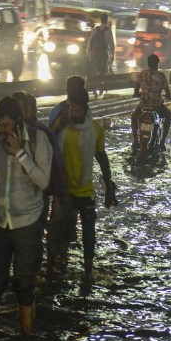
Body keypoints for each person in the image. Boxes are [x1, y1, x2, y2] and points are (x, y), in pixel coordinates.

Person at [0, 96, 52, 337]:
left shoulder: (39, 141)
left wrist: (20, 153)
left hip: (27, 224)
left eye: (6, 126)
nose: (2, 131)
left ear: (18, 122)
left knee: (25, 284)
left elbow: (43, 181)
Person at [57, 87, 116, 280]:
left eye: (79, 110)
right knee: (64, 234)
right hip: (65, 192)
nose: (76, 114)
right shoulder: (62, 127)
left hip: (86, 192)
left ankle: (88, 271)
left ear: (85, 108)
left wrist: (109, 187)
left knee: (89, 234)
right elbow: (49, 149)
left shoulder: (95, 129)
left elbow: (101, 157)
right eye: (72, 110)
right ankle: (60, 268)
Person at [12, 91, 71, 272]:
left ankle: (32, 274)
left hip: (39, 194)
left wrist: (61, 192)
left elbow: (57, 164)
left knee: (35, 234)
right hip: (16, 197)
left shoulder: (41, 133)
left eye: (26, 109)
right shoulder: (7, 134)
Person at [131, 53, 171, 151]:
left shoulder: (143, 74)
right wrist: (169, 96)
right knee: (168, 115)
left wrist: (137, 94)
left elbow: (136, 89)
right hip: (157, 106)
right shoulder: (161, 76)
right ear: (157, 64)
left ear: (148, 64)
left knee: (134, 117)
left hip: (143, 106)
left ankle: (135, 141)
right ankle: (162, 141)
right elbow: (167, 92)